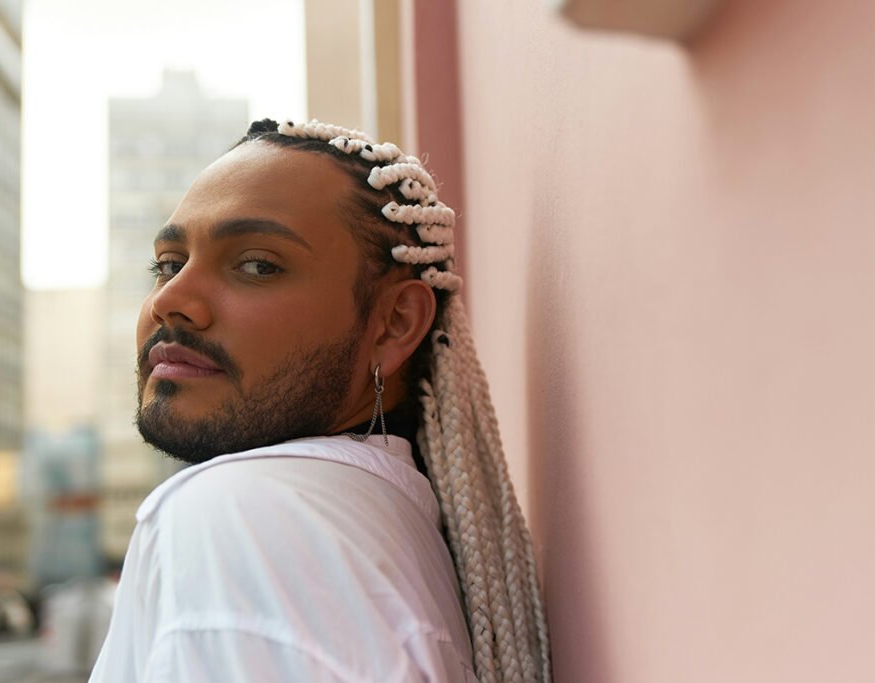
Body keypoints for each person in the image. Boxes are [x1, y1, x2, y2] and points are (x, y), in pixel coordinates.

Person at [89, 119, 550, 683]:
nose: (170, 300)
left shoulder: (238, 515)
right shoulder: (372, 521)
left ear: (394, 323)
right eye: (168, 264)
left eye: (257, 264)